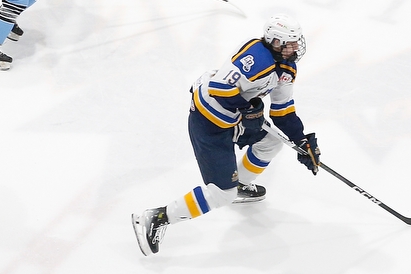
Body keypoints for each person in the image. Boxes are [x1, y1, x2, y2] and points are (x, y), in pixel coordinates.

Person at [132, 15, 322, 256]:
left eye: (297, 42)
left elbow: (283, 111)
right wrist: (247, 108)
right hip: (209, 121)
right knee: (221, 193)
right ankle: (156, 217)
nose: (295, 48)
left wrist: (301, 140)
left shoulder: (286, 67)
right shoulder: (256, 59)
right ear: (274, 42)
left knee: (273, 140)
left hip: (235, 119)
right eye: (289, 44)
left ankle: (240, 183)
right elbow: (219, 89)